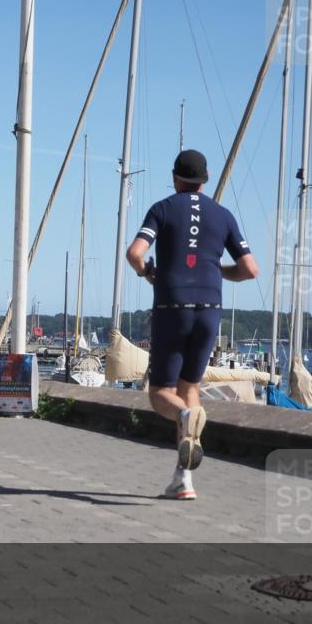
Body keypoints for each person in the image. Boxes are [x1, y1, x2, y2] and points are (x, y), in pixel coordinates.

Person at [126, 149, 258, 500]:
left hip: (172, 306)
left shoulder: (162, 209)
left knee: (161, 394)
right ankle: (183, 479)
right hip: (210, 309)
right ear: (206, 178)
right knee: (190, 388)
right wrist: (217, 270)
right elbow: (250, 269)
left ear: (175, 178)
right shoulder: (223, 215)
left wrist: (146, 272)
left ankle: (184, 416)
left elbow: (135, 253)